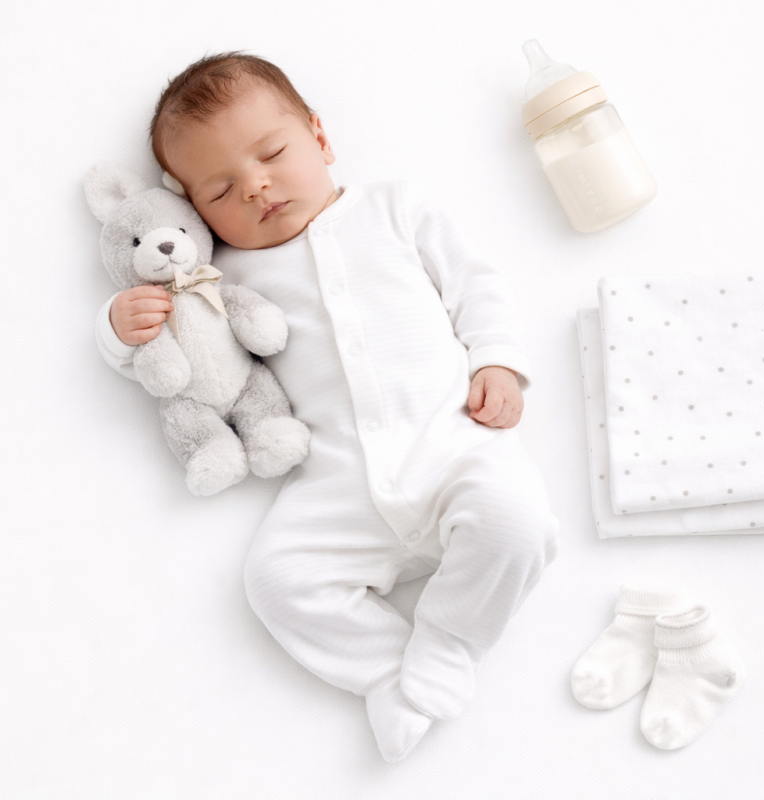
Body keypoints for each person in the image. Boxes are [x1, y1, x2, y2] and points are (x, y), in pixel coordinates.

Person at [95, 53, 559, 762]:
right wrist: (118, 330)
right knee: (275, 581)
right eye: (220, 189)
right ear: (191, 210)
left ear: (319, 136)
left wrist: (497, 361)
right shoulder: (221, 276)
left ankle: (448, 642)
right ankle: (388, 673)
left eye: (272, 154)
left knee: (519, 522)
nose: (255, 186)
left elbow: (477, 284)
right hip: (338, 483)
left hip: (452, 443)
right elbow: (184, 353)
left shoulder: (393, 207)